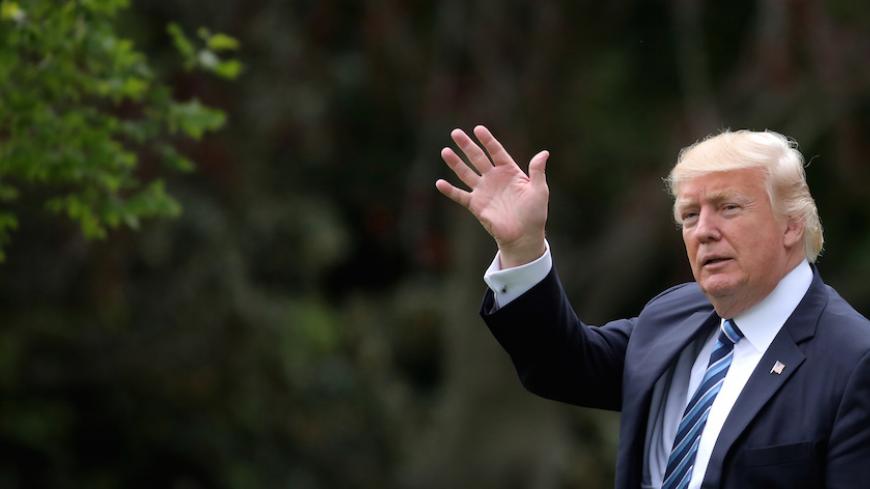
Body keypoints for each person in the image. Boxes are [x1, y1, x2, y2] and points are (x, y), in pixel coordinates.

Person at [435, 125, 870, 489]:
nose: (703, 231)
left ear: (792, 225)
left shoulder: (854, 360)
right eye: (689, 215)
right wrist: (522, 248)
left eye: (728, 208)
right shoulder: (673, 316)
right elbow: (561, 364)